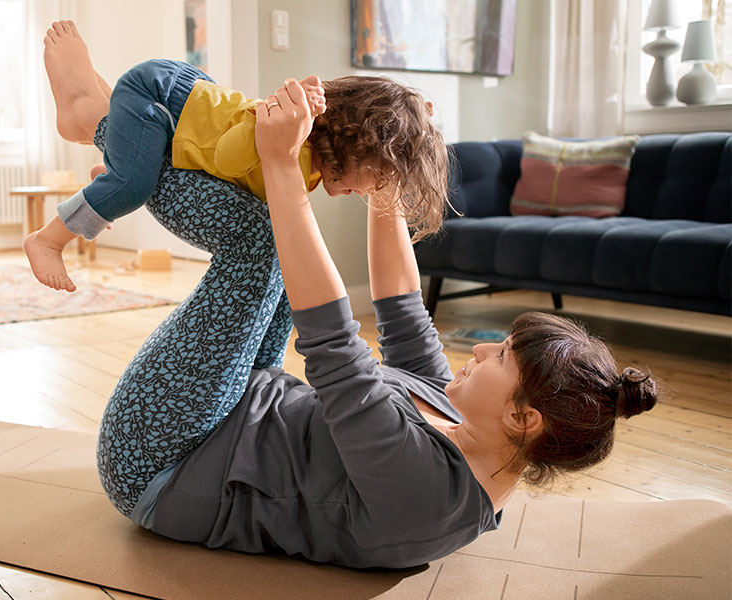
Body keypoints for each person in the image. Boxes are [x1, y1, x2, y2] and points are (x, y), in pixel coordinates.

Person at [57, 34, 659, 568]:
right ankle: (124, 131)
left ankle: (104, 125)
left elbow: (335, 348)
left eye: (499, 357)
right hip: (235, 406)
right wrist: (391, 175)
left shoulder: (425, 492)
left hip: (163, 456)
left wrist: (280, 164)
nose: (477, 350)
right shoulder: (465, 420)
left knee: (260, 241)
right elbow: (401, 308)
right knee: (266, 229)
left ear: (522, 417)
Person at [24, 20, 446, 292]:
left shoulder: (309, 167)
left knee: (141, 168)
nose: (360, 193)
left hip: (185, 107)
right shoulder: (288, 138)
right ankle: (48, 239)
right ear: (351, 145)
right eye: (363, 180)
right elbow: (227, 160)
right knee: (132, 185)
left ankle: (109, 145)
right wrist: (265, 128)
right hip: (160, 93)